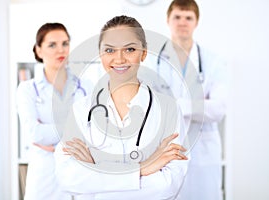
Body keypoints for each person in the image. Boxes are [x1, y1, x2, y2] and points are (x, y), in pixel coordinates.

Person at [54, 15, 189, 200]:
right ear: (100, 54)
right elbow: (68, 178)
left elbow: (166, 186)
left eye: (129, 49)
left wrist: (96, 171)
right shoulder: (81, 110)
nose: (119, 59)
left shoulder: (168, 109)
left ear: (143, 53)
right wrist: (143, 168)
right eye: (109, 50)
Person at [146, 0, 229, 199]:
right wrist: (199, 107)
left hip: (203, 148)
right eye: (177, 17)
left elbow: (218, 109)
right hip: (164, 149)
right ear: (168, 20)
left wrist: (176, 106)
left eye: (188, 17)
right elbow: (149, 105)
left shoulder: (213, 61)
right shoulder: (152, 60)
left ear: (196, 22)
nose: (182, 22)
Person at [16, 23, 86, 200]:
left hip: (80, 172)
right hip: (45, 176)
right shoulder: (28, 89)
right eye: (52, 45)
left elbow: (91, 132)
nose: (60, 50)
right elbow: (35, 134)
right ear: (39, 51)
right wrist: (73, 130)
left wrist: (51, 134)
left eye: (65, 43)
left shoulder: (85, 86)